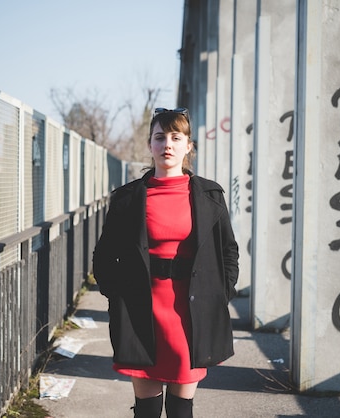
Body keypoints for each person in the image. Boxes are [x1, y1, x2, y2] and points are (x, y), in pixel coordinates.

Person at [92, 107, 239, 418]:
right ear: (150, 145)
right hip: (141, 310)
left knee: (181, 408)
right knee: (146, 409)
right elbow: (104, 257)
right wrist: (118, 297)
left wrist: (220, 296)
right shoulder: (128, 199)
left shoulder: (210, 196)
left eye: (176, 137)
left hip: (191, 312)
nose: (167, 144)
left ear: (188, 146)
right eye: (160, 137)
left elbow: (228, 251)